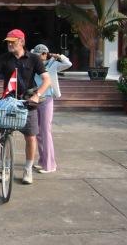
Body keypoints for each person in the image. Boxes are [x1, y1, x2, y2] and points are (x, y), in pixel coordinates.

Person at [0, 29, 51, 185]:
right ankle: (4, 168)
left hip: (27, 102)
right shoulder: (4, 58)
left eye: (13, 41)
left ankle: (27, 169)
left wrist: (37, 95)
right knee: (5, 136)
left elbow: (46, 80)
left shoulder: (34, 59)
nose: (10, 44)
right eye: (8, 42)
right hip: (8, 101)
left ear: (22, 42)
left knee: (30, 136)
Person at [31, 44, 72, 174]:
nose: (39, 57)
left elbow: (68, 64)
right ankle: (42, 161)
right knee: (37, 132)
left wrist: (57, 56)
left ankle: (50, 165)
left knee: (45, 131)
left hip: (47, 99)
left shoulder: (53, 64)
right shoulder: (34, 64)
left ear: (45, 54)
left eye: (41, 54)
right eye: (37, 55)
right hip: (35, 98)